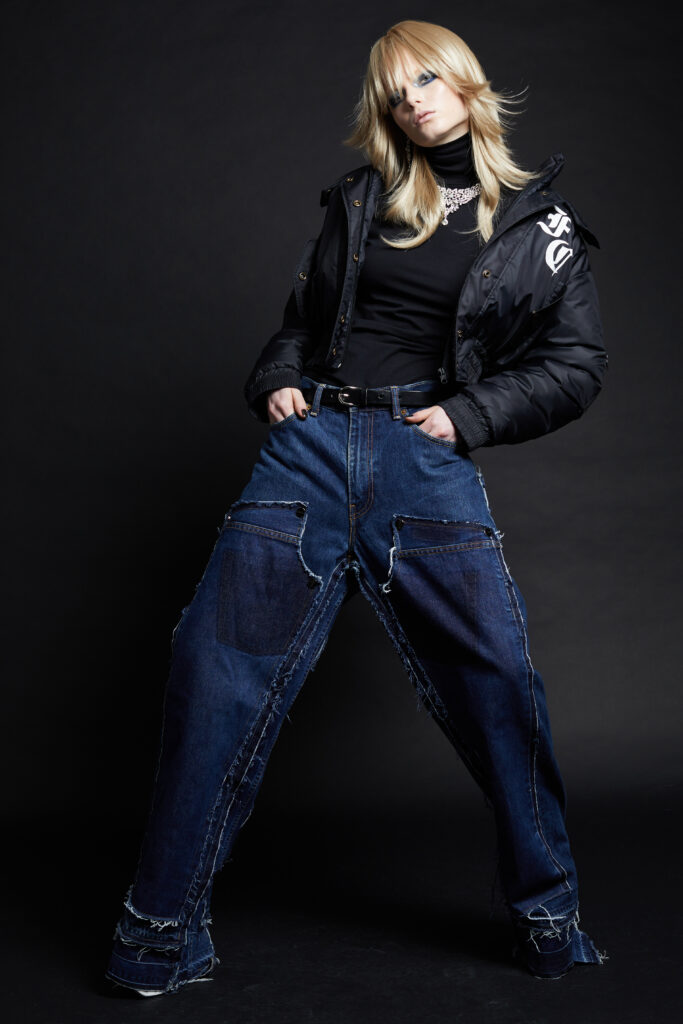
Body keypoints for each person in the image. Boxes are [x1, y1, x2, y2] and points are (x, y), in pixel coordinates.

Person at [104, 19, 608, 997]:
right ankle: (155, 935)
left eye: (425, 79)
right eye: (392, 92)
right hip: (306, 453)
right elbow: (303, 323)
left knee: (497, 685)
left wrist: (467, 416)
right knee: (212, 672)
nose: (411, 101)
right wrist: (277, 379)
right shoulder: (361, 200)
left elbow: (575, 364)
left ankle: (547, 918)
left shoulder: (537, 227)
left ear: (465, 81)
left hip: (422, 461)